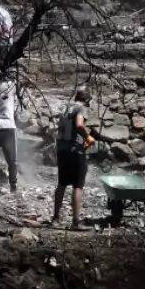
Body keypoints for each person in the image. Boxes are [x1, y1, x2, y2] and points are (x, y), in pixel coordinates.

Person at [52, 89, 95, 230]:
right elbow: (79, 125)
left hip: (62, 149)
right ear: (87, 100)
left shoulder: (65, 107)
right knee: (78, 185)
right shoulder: (81, 107)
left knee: (62, 184)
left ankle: (55, 218)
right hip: (75, 150)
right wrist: (87, 137)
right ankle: (76, 223)